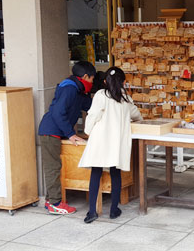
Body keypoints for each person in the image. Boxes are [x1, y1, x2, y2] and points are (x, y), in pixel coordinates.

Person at [78, 66, 143, 223]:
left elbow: (93, 115)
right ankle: (114, 209)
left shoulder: (101, 95)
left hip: (100, 139)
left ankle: (92, 211)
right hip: (117, 142)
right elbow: (137, 115)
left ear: (105, 81)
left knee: (96, 173)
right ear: (123, 82)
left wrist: (87, 131)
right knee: (115, 173)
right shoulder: (125, 99)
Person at [39, 61, 96, 215]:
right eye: (92, 79)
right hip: (50, 132)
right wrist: (71, 134)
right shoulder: (69, 88)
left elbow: (91, 106)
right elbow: (57, 112)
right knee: (53, 168)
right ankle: (56, 203)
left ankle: (51, 201)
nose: (92, 83)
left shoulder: (77, 90)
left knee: (56, 167)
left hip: (56, 132)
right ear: (85, 76)